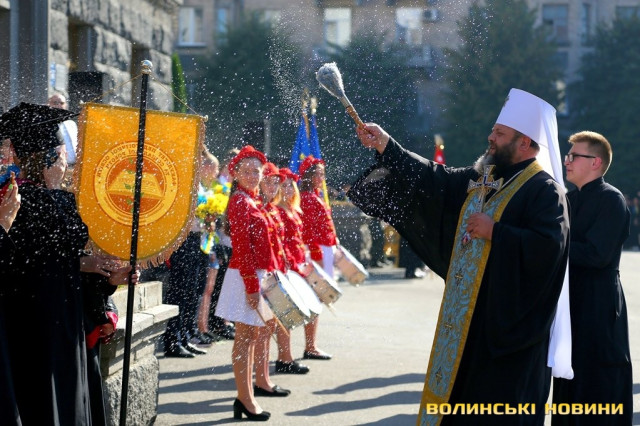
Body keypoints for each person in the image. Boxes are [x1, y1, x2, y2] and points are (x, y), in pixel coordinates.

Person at [349, 88, 570, 425]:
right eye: (493, 130)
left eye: (500, 133)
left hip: (509, 333)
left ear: (524, 143)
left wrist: (495, 231)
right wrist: (386, 145)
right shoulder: (484, 178)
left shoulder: (545, 190)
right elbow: (434, 178)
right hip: (467, 322)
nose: (491, 137)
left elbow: (549, 248)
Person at [0, 102, 131, 424]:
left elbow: (56, 261)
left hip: (26, 319)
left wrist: (103, 275)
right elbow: (62, 253)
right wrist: (56, 187)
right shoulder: (43, 201)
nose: (64, 159)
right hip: (51, 322)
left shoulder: (14, 196)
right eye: (60, 153)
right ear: (48, 158)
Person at [551, 131, 633, 425]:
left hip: (599, 307)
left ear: (596, 162)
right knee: (568, 382)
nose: (567, 161)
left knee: (599, 384)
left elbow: (598, 254)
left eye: (574, 156)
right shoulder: (567, 199)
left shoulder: (611, 199)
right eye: (567, 155)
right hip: (570, 305)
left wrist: (550, 245)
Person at [215, 146, 290, 422]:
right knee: (245, 338)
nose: (251, 175)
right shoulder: (240, 201)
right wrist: (251, 286)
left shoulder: (253, 200)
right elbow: (243, 248)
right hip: (245, 276)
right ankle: (245, 398)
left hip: (257, 275)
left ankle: (247, 396)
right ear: (235, 174)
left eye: (256, 171)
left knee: (254, 336)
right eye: (245, 171)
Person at [260, 163, 310, 375]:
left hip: (290, 264)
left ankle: (284, 358)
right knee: (279, 316)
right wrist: (289, 262)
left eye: (291, 185)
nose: (287, 189)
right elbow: (281, 242)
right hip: (282, 266)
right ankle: (282, 360)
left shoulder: (290, 208)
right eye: (284, 185)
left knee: (283, 316)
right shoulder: (277, 208)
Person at [298, 156, 336, 361]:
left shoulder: (314, 195)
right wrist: (317, 258)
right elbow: (309, 232)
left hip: (323, 251)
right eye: (318, 174)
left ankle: (311, 345)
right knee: (314, 298)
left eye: (323, 173)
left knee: (317, 298)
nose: (322, 177)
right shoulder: (308, 198)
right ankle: (310, 346)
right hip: (317, 253)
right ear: (309, 176)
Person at [48, 92, 79, 166]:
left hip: (74, 167)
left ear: (66, 105)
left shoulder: (71, 124)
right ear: (49, 105)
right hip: (55, 167)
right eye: (55, 103)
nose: (59, 106)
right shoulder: (45, 125)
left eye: (62, 103)